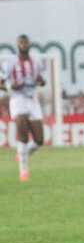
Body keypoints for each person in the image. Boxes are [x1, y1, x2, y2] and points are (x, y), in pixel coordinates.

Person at [1, 35, 46, 182]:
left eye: (26, 42)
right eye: (21, 42)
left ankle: (23, 153)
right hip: (17, 99)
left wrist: (41, 81)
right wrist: (11, 86)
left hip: (33, 100)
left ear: (29, 44)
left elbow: (40, 79)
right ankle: (23, 171)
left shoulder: (36, 62)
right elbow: (1, 83)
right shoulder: (10, 63)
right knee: (23, 134)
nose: (24, 45)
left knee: (39, 140)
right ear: (17, 45)